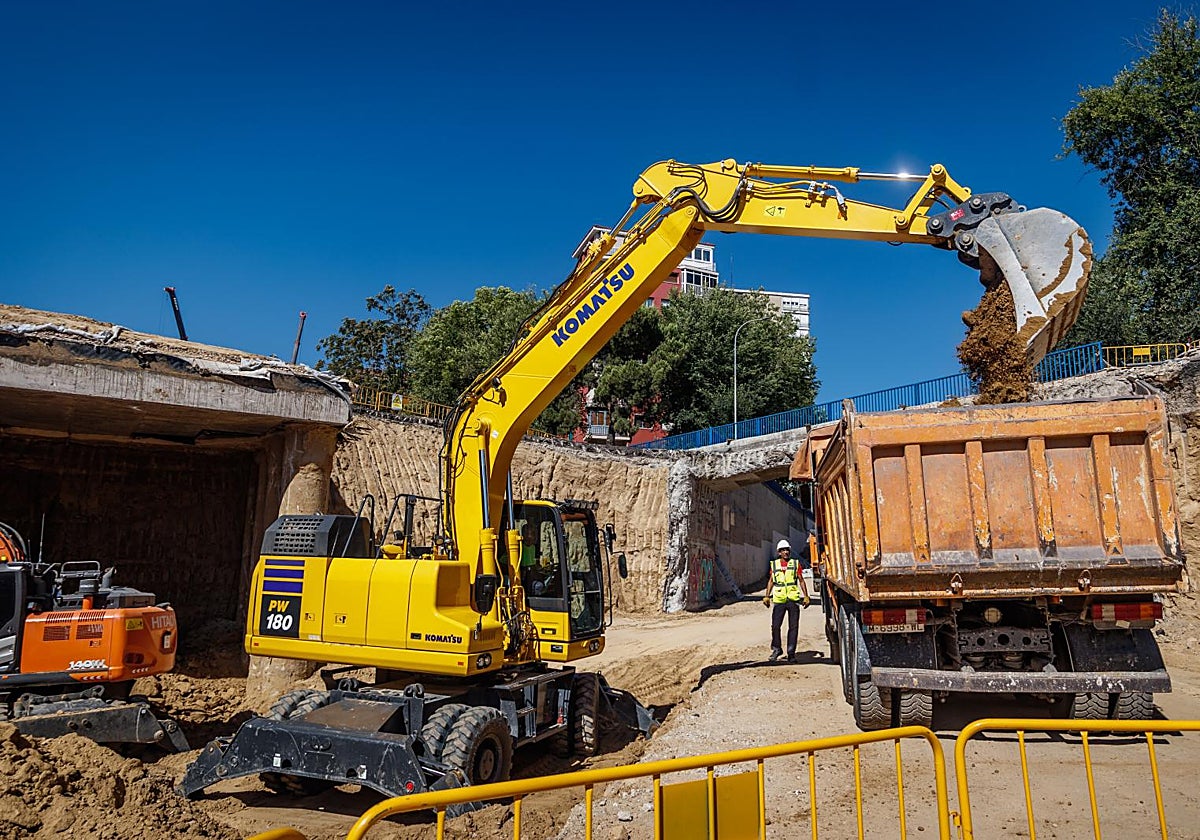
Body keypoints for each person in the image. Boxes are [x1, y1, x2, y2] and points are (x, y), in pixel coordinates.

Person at [763, 538, 810, 662]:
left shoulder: (795, 564)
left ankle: (791, 653)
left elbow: (801, 580)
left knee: (793, 627)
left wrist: (806, 596)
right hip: (779, 599)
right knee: (775, 626)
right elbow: (771, 581)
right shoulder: (775, 564)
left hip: (793, 599)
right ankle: (777, 649)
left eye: (787, 550)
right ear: (779, 552)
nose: (785, 552)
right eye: (783, 550)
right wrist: (767, 595)